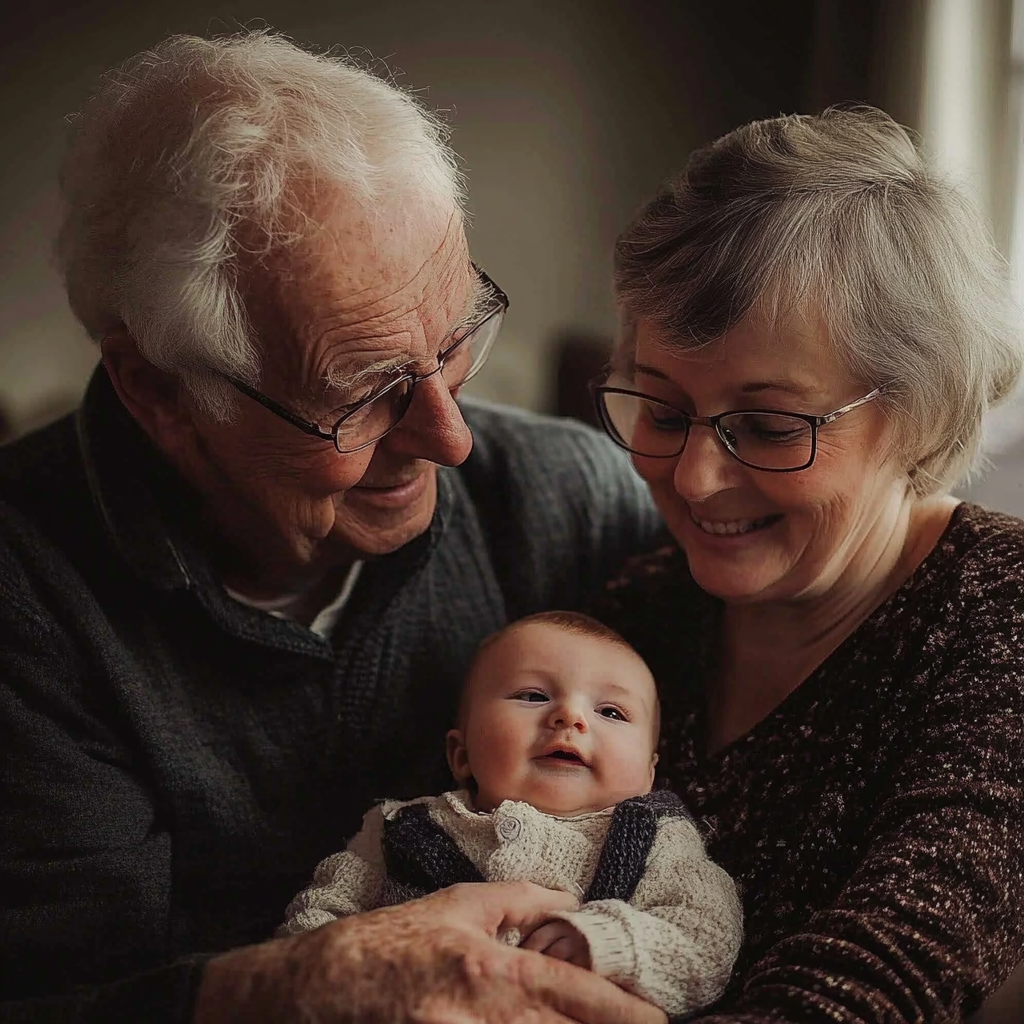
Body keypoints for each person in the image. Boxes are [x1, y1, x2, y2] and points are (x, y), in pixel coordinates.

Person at [0, 30, 666, 1024]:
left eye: (455, 340)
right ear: (160, 393)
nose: (448, 440)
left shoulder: (563, 500)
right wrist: (308, 987)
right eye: (361, 390)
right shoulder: (28, 591)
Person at [589, 105, 1024, 1023]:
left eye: (770, 425)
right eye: (663, 412)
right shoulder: (631, 614)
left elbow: (887, 978)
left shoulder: (1000, 614)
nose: (697, 479)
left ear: (920, 411)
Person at [280, 610, 743, 1017]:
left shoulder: (654, 839)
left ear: (647, 773)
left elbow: (707, 938)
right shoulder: (399, 829)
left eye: (611, 711)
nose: (570, 717)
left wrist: (611, 943)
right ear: (461, 755)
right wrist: (349, 978)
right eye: (532, 696)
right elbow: (317, 920)